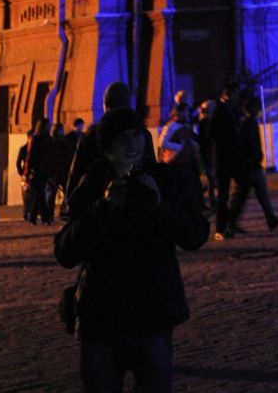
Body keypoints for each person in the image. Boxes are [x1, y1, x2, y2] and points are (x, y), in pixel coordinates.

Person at [54, 105, 209, 392]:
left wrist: (159, 206)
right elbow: (65, 251)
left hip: (152, 314)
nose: (131, 145)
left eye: (136, 137)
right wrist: (102, 207)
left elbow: (195, 234)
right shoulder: (91, 185)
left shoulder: (164, 180)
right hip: (101, 318)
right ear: (107, 149)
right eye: (121, 140)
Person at [64, 83, 154, 206]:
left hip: (97, 207)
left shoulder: (90, 137)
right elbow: (150, 166)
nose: (130, 145)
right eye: (121, 140)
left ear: (105, 106)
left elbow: (74, 180)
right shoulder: (141, 133)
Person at [224, 94, 278, 234]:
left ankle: (269, 219)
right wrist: (252, 159)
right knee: (250, 195)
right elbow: (248, 145)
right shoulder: (249, 124)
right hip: (251, 165)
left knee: (250, 195)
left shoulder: (247, 123)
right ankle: (233, 223)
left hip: (251, 164)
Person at [203, 86, 241, 241]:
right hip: (222, 160)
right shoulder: (220, 111)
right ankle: (220, 229)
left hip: (229, 159)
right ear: (228, 95)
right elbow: (211, 135)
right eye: (235, 94)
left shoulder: (230, 110)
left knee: (238, 188)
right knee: (223, 195)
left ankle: (228, 224)